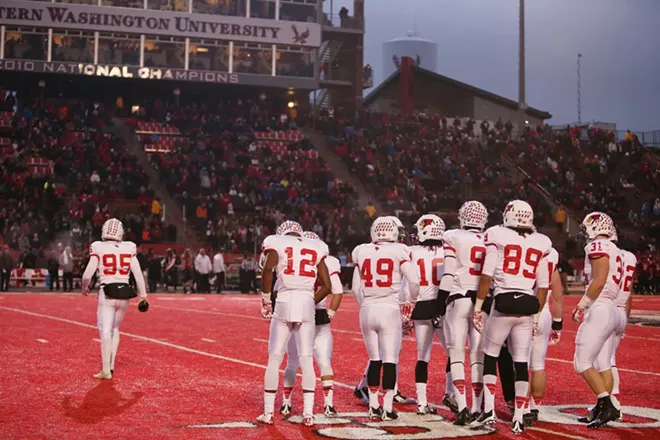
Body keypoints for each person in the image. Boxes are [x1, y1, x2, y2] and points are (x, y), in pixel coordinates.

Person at [469, 200, 552, 434]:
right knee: (521, 362)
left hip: (503, 303)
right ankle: (519, 415)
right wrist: (536, 317)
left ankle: (488, 410)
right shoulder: (541, 242)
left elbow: (486, 276)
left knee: (490, 356)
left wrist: (477, 307)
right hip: (527, 306)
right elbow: (543, 287)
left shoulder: (498, 235)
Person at [257, 221, 331, 427]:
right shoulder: (315, 246)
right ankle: (308, 414)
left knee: (275, 358)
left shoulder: (276, 242)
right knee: (306, 359)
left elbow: (267, 270)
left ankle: (269, 412)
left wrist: (265, 300)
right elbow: (327, 286)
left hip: (284, 299)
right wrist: (309, 302)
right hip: (306, 300)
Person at [351, 216, 420, 421]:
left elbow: (355, 288)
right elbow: (414, 281)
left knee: (375, 358)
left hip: (368, 308)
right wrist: (412, 302)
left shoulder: (361, 250)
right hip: (389, 308)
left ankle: (373, 405)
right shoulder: (399, 250)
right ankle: (387, 407)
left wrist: (364, 305)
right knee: (390, 360)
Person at [573, 216, 629, 428]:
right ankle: (603, 405)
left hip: (600, 307)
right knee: (603, 363)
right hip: (612, 308)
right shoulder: (617, 250)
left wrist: (582, 303)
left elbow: (600, 278)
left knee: (582, 362)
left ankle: (608, 404)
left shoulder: (597, 245)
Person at [280, 231, 344, 417]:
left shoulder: (289, 258)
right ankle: (328, 405)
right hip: (319, 314)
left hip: (297, 312)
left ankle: (286, 403)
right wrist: (330, 312)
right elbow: (337, 290)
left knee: (292, 362)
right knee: (324, 362)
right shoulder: (328, 260)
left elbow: (278, 291)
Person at [440, 200, 491, 425]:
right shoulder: (491, 238)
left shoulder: (453, 236)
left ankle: (462, 406)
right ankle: (478, 407)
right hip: (482, 301)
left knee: (456, 353)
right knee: (478, 357)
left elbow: (449, 273)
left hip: (459, 298)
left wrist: (439, 303)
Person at [81, 218, 148, 380]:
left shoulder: (98, 246)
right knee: (115, 329)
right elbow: (138, 274)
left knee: (105, 331)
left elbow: (87, 274)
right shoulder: (129, 247)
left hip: (107, 291)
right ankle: (111, 364)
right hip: (125, 293)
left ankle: (105, 371)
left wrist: (85, 287)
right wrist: (143, 296)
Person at [406, 214, 450, 416]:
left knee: (423, 357)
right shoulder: (448, 249)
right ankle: (451, 393)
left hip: (421, 307)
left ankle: (422, 402)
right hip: (443, 306)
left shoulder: (411, 252)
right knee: (453, 354)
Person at [592, 237, 636, 420]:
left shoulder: (608, 254)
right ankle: (607, 403)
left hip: (608, 308)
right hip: (620, 311)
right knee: (607, 360)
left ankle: (612, 403)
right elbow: (629, 292)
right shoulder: (629, 257)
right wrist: (625, 317)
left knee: (605, 362)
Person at [527, 247, 564, 422]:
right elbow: (557, 294)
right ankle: (535, 407)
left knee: (521, 365)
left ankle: (523, 408)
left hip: (526, 312)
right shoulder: (550, 255)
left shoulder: (522, 250)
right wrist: (558, 323)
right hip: (545, 314)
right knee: (538, 365)